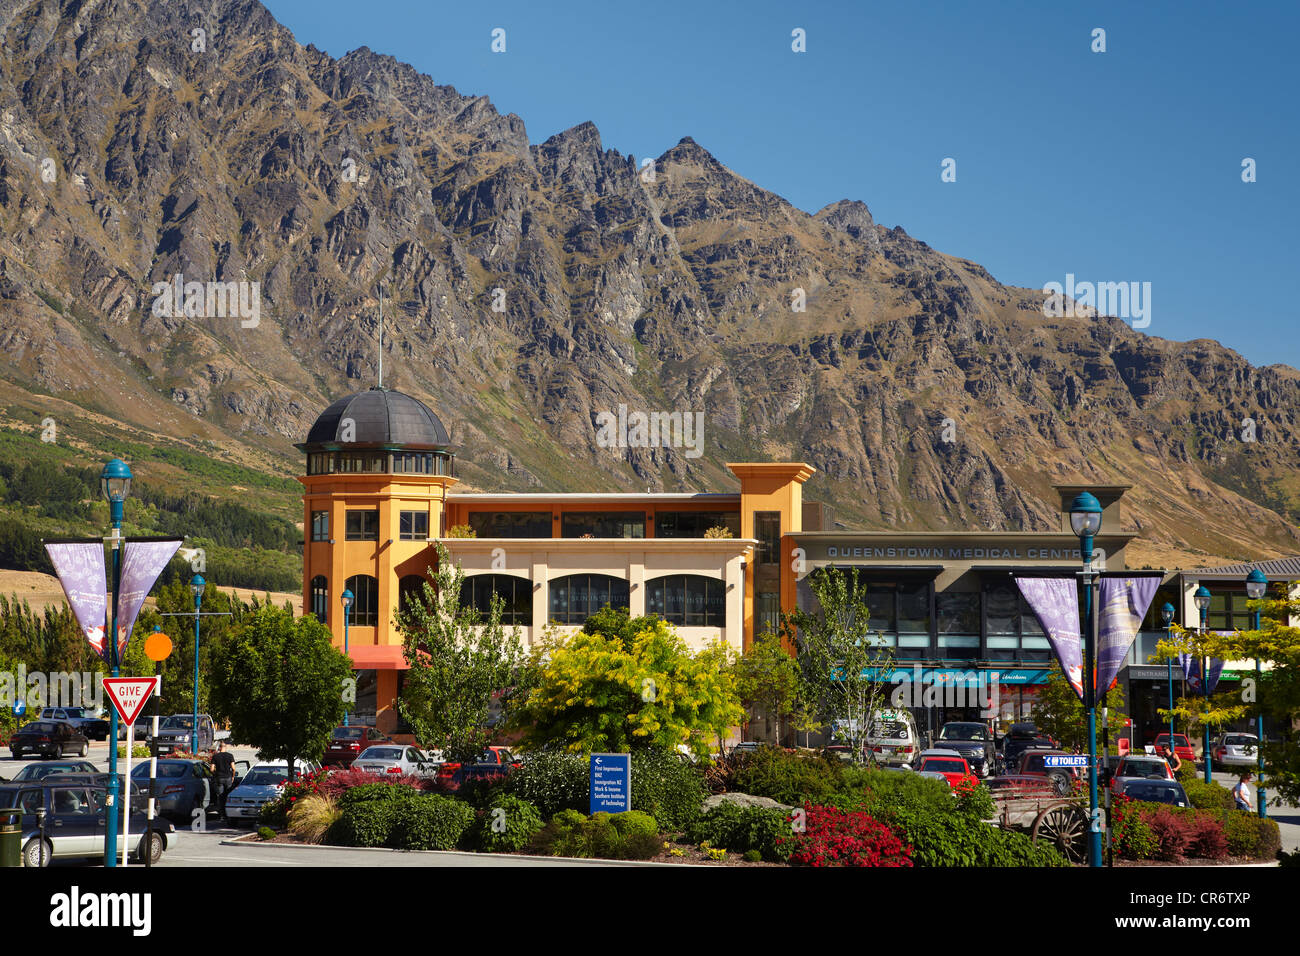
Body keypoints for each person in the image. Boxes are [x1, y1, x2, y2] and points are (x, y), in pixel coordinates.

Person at [210, 741, 236, 821]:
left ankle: (222, 815)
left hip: (219, 778)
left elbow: (211, 769)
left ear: (219, 747)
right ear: (225, 747)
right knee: (228, 796)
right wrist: (233, 776)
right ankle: (230, 815)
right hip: (228, 777)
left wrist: (215, 774)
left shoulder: (215, 756)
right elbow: (233, 768)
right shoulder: (230, 756)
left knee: (220, 797)